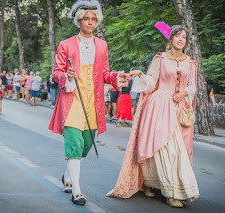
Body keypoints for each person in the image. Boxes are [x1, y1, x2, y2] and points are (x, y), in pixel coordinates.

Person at [107, 24, 199, 208]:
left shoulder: (191, 62)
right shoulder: (161, 58)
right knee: (165, 149)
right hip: (159, 106)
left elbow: (193, 85)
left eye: (184, 37)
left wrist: (184, 93)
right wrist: (140, 73)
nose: (181, 39)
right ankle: (170, 192)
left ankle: (152, 184)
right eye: (178, 36)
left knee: (175, 151)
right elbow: (150, 85)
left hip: (179, 109)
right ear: (170, 39)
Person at [48, 0, 129, 205]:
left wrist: (118, 77)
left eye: (94, 19)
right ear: (78, 20)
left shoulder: (102, 45)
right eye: (86, 19)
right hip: (72, 98)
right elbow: (56, 73)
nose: (90, 22)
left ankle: (67, 175)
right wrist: (66, 75)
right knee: (74, 142)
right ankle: (77, 190)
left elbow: (104, 74)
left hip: (93, 100)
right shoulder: (65, 44)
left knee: (86, 143)